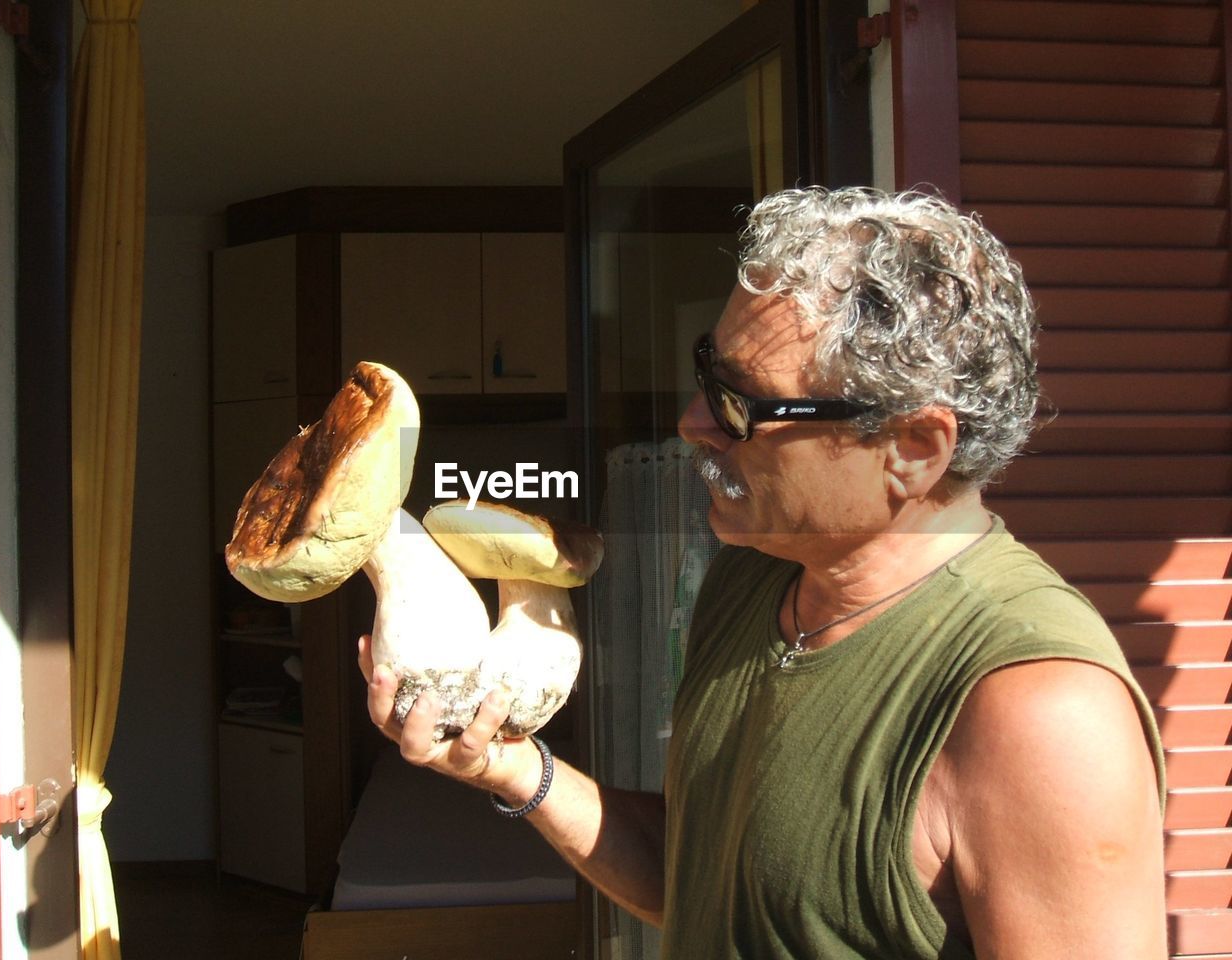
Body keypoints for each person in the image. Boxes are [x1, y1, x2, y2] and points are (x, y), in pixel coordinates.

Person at [360, 187, 1167, 958]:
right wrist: (510, 766)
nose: (693, 423)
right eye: (710, 371)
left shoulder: (1038, 712)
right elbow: (707, 873)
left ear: (915, 450)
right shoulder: (755, 579)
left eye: (745, 404)